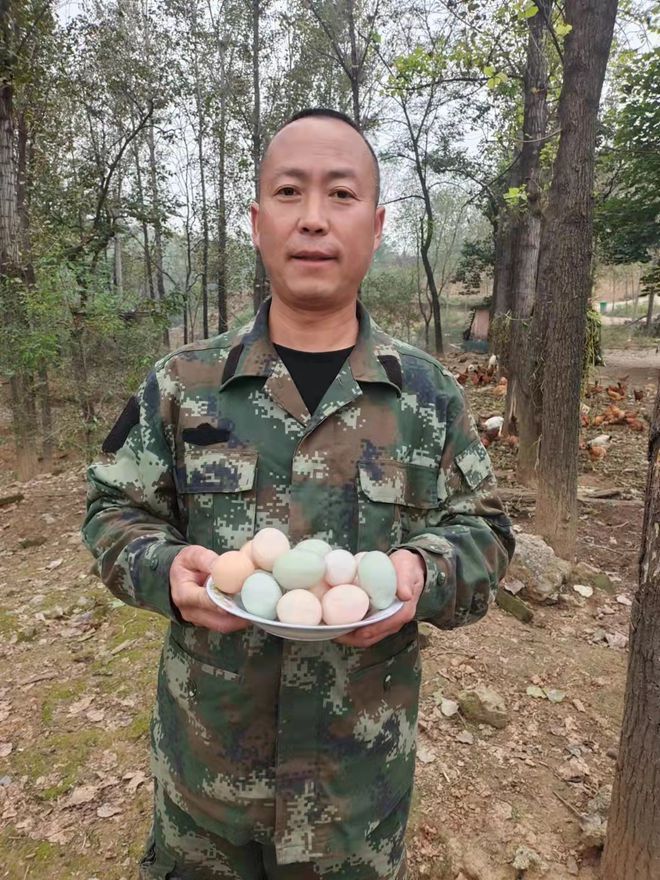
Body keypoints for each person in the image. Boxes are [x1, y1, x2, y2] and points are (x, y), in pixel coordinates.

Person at [82, 108, 514, 880]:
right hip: (208, 793)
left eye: (340, 194)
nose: (314, 218)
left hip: (357, 798)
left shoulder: (428, 396)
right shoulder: (183, 386)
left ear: (376, 225)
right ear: (256, 221)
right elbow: (113, 511)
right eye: (289, 191)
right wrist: (165, 568)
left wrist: (423, 572)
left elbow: (484, 530)